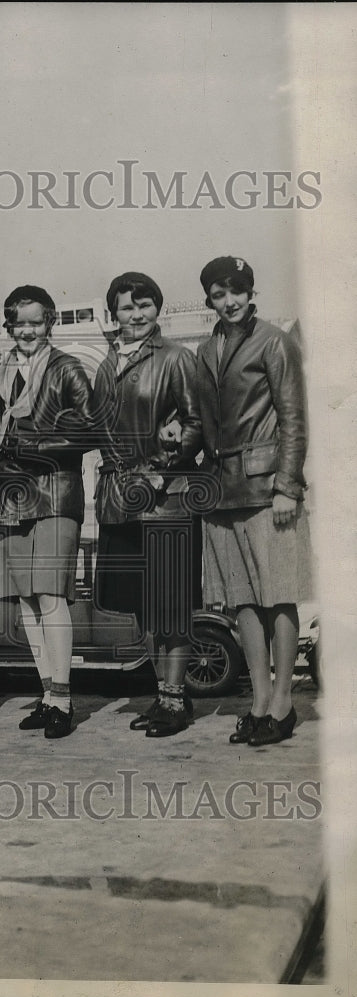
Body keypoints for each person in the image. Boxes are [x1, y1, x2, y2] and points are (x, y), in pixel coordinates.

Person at [196, 256, 311, 746]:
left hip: (268, 492)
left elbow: (293, 418)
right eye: (220, 294)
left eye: (237, 290)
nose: (230, 301)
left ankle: (284, 703)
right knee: (243, 601)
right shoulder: (205, 350)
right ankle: (259, 699)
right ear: (209, 301)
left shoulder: (275, 341)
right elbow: (204, 422)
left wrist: (288, 485)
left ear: (250, 291)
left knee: (278, 594)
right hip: (223, 492)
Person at [0, 285, 97, 739]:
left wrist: (31, 447)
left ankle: (63, 699)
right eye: (18, 323)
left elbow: (90, 431)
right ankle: (47, 695)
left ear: (50, 324)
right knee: (26, 599)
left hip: (55, 493)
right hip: (10, 494)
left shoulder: (67, 369)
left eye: (35, 322)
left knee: (50, 596)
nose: (26, 330)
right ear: (9, 326)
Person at [92, 272, 203, 737]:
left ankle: (176, 702)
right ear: (112, 313)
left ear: (157, 309)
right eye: (125, 307)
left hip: (167, 499)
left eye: (144, 306)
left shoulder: (177, 358)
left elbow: (198, 423)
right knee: (143, 607)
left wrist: (162, 471)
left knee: (171, 607)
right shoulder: (105, 364)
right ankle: (163, 698)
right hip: (120, 500)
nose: (136, 316)